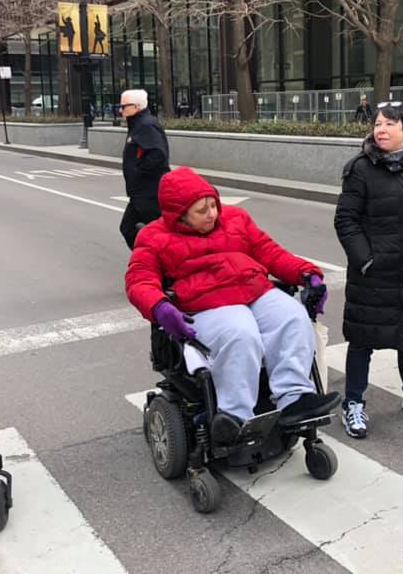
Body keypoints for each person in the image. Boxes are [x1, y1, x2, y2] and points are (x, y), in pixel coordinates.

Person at [125, 167, 340, 445]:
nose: (213, 214)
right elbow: (139, 280)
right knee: (241, 333)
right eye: (201, 210)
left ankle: (295, 398)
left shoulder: (236, 219)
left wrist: (307, 273)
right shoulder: (154, 237)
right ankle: (234, 416)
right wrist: (159, 307)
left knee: (292, 315)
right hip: (205, 303)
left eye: (213, 204)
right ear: (180, 214)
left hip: (253, 289)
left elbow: (270, 253)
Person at [334, 103, 403, 440]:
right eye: (377, 124)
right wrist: (365, 259)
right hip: (375, 272)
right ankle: (353, 402)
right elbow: (346, 220)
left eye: (389, 124)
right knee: (362, 339)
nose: (380, 130)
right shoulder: (360, 169)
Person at [119, 89, 171, 249]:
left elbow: (158, 153)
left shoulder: (145, 125)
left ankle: (159, 261)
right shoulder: (138, 124)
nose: (120, 110)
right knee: (128, 228)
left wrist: (138, 170)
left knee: (154, 231)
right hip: (140, 193)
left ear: (136, 106)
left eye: (123, 106)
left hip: (149, 192)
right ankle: (150, 259)